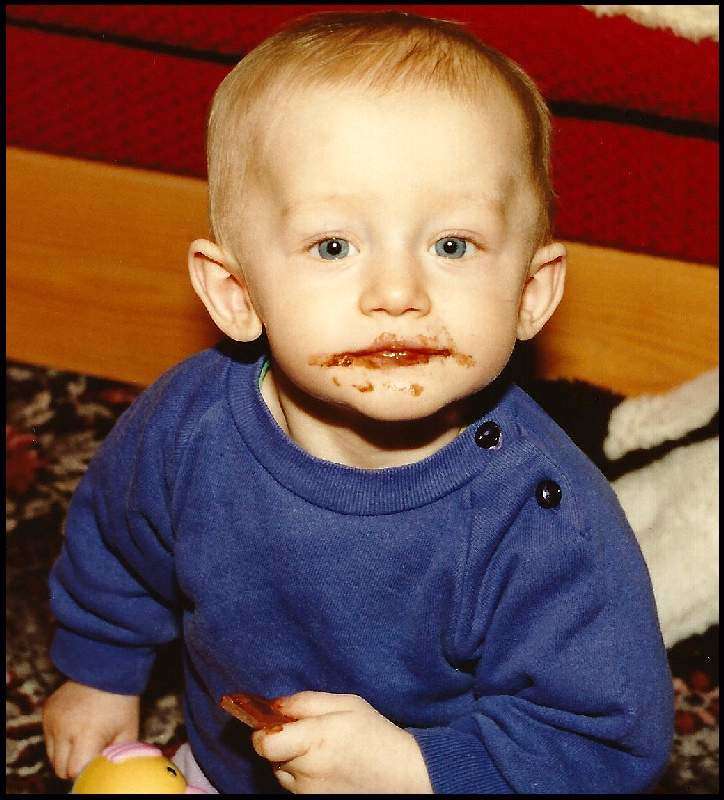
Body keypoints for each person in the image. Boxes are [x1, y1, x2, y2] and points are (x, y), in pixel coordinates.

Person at [42, 10, 673, 794]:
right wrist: (100, 673)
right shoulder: (188, 425)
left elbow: (608, 742)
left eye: (452, 245)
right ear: (237, 293)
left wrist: (410, 769)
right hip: (234, 765)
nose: (398, 293)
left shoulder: (544, 522)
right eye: (334, 246)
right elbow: (117, 542)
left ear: (530, 292)